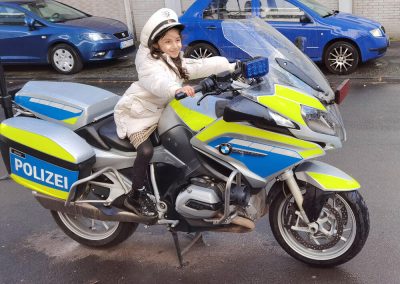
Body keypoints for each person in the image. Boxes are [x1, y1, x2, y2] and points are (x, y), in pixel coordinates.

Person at [114, 8, 236, 216]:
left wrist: (231, 66)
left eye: (177, 40)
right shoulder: (148, 64)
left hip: (161, 112)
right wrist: (176, 89)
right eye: (168, 42)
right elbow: (158, 82)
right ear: (156, 44)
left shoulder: (172, 59)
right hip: (138, 115)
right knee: (145, 151)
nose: (175, 45)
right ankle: (135, 195)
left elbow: (195, 66)